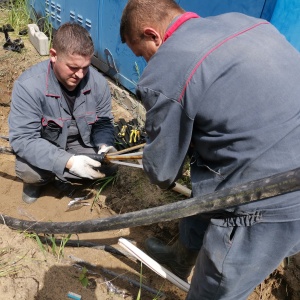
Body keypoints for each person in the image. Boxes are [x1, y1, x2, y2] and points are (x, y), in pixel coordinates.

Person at [120, 1, 300, 299]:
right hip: (282, 160)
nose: (148, 62)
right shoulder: (246, 23)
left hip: (266, 197)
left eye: (143, 54)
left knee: (214, 290)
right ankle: (180, 258)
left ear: (153, 35)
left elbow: (163, 172)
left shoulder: (166, 70)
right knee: (206, 184)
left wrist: (159, 153)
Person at [8, 22, 117, 204]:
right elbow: (23, 139)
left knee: (110, 166)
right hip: (44, 146)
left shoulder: (98, 83)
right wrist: (69, 162)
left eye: (85, 67)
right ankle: (41, 181)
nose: (80, 75)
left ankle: (60, 175)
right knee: (30, 172)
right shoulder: (28, 86)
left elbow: (103, 121)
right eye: (73, 68)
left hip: (78, 144)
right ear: (53, 55)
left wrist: (105, 145)